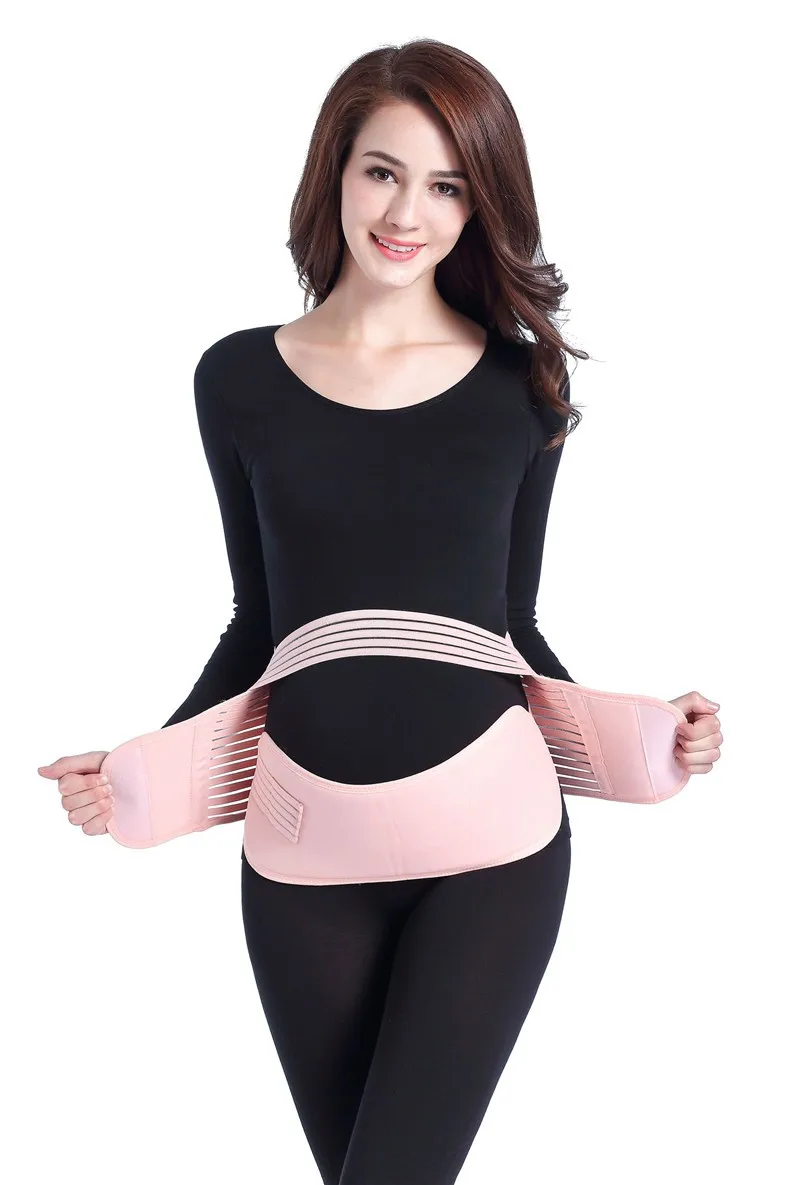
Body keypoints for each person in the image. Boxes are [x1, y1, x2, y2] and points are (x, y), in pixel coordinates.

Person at [37, 38, 723, 1185]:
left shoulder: (522, 385)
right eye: (383, 172)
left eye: (447, 186)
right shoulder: (236, 379)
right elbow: (261, 621)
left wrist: (652, 729)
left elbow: (507, 621)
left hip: (494, 849)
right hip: (302, 852)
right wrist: (141, 764)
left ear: (480, 203)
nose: (408, 213)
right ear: (335, 172)